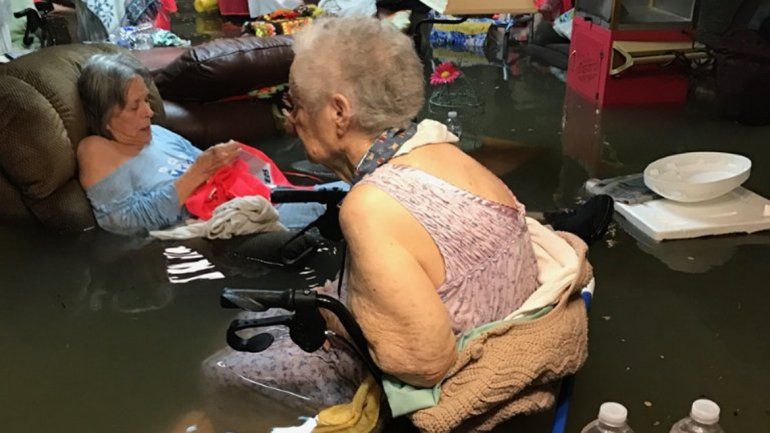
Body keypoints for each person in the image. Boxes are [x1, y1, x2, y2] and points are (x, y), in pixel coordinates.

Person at [200, 17, 548, 428]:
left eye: (295, 104)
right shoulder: (442, 150)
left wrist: (333, 316)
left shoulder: (371, 205)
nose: (292, 120)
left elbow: (424, 364)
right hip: (490, 331)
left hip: (441, 384)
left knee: (218, 371)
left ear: (339, 112)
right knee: (252, 324)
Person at [76, 53, 331, 236]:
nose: (149, 112)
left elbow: (215, 174)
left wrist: (221, 160)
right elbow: (121, 223)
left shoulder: (158, 133)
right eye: (135, 107)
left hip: (254, 201)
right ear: (106, 115)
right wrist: (197, 172)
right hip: (222, 226)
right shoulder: (97, 150)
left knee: (340, 196)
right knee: (339, 209)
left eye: (146, 101)